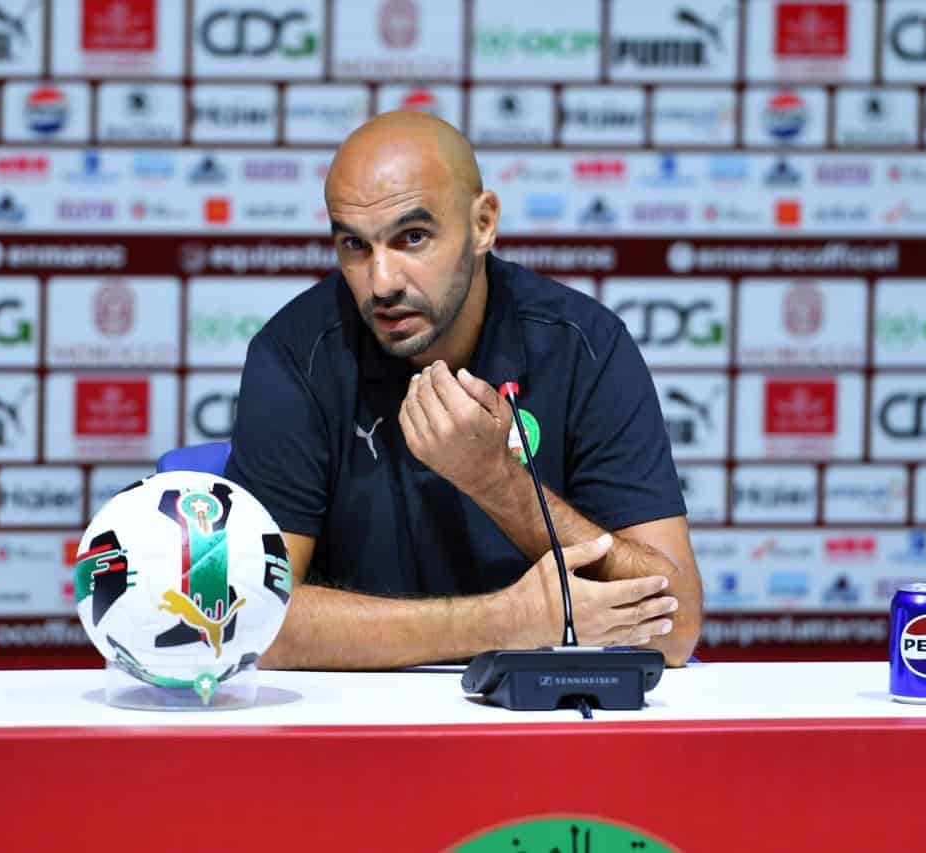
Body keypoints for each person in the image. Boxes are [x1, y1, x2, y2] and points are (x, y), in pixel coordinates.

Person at [225, 111, 702, 669]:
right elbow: (256, 620)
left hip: (542, 722)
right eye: (355, 246)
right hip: (357, 712)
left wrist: (496, 481)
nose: (382, 282)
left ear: (483, 224)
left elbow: (676, 627)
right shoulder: (294, 355)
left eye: (413, 238)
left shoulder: (583, 346)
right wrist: (505, 622)